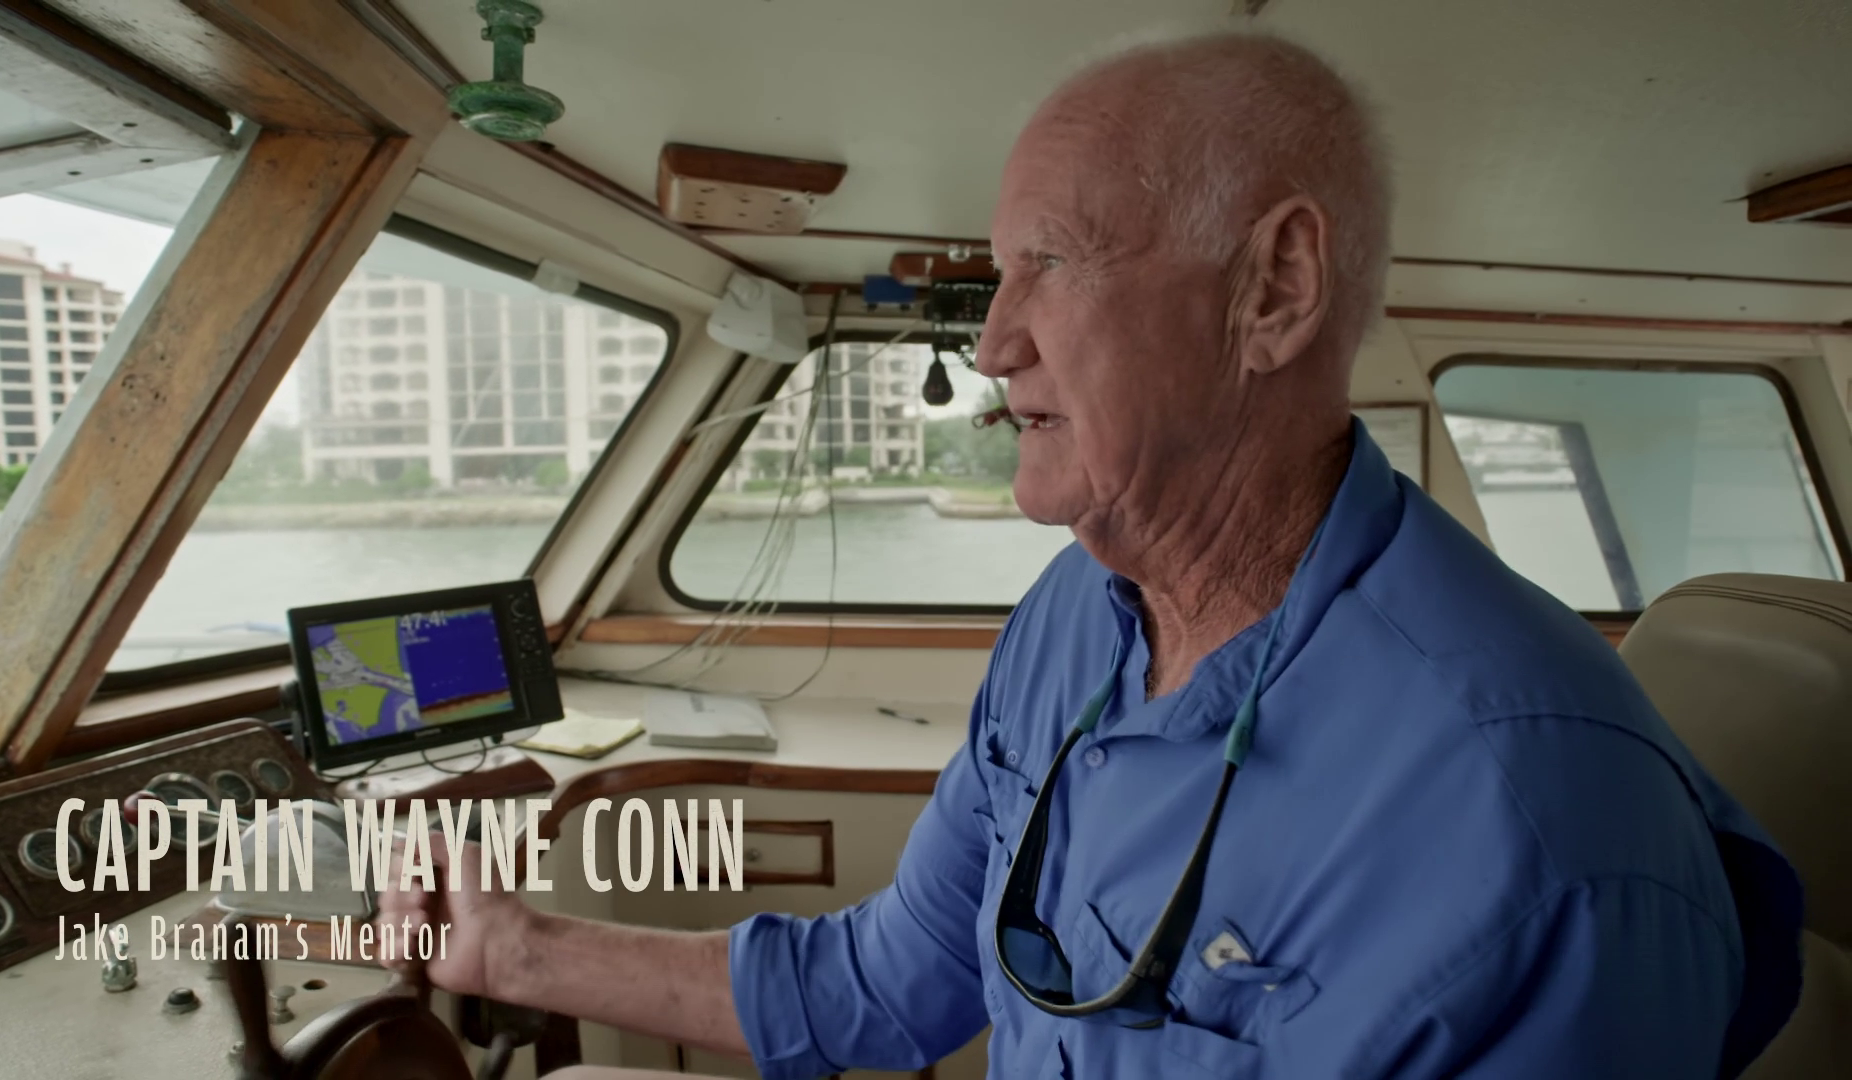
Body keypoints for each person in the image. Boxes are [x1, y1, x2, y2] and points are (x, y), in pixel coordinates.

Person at [379, 31, 1802, 1079]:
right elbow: (897, 980)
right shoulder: (1075, 618)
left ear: (1274, 289)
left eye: (1048, 264)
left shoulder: (1551, 825)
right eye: (996, 278)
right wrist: (515, 952)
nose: (995, 343)